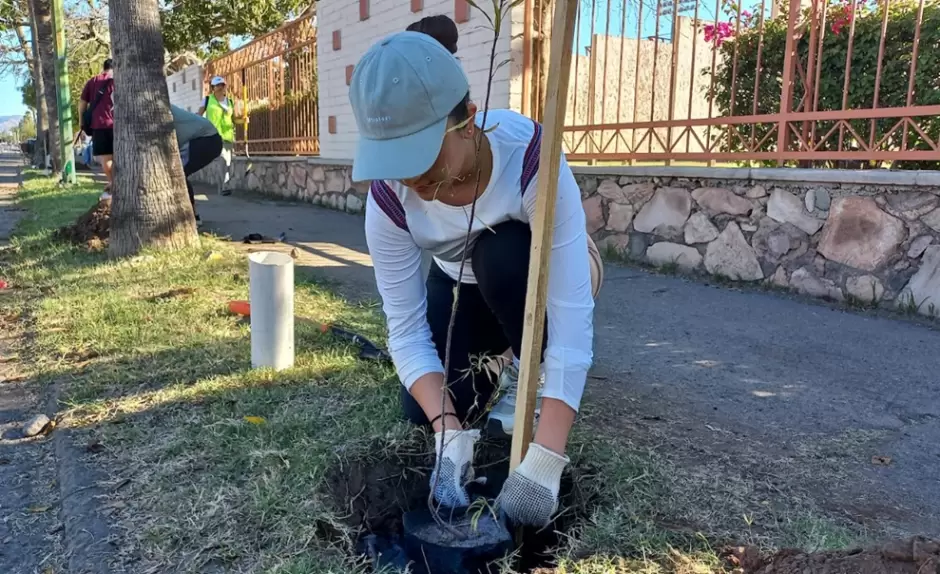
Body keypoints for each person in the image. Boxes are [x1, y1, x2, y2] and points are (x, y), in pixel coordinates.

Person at [349, 27, 604, 528]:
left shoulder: (532, 159)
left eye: (420, 157)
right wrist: (448, 430)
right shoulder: (388, 202)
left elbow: (572, 326)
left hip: (533, 271)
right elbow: (405, 329)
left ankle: (521, 377)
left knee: (502, 257)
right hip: (459, 283)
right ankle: (476, 402)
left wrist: (547, 456)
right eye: (394, 161)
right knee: (420, 410)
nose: (412, 183)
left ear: (465, 121)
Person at [171, 104, 223, 225]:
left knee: (178, 176)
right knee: (179, 175)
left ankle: (192, 217)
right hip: (202, 139)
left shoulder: (158, 110)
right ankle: (191, 215)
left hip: (206, 139)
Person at [198, 76, 242, 196]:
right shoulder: (207, 100)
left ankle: (223, 186)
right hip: (214, 135)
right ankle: (224, 187)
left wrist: (243, 121)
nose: (220, 87)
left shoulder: (230, 102)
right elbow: (199, 115)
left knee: (228, 162)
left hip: (227, 137)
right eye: (218, 85)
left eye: (222, 85)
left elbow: (234, 120)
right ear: (213, 88)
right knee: (222, 160)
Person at [79, 58, 115, 194]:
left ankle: (112, 182)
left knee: (106, 159)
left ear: (104, 68)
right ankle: (117, 183)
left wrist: (82, 121)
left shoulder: (93, 81)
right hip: (120, 125)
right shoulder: (121, 79)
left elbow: (82, 103)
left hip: (100, 124)